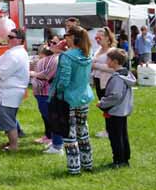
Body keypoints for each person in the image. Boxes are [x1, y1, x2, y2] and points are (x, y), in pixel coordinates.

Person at [49, 26, 94, 175]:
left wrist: (57, 91)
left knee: (69, 134)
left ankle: (74, 168)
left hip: (68, 99)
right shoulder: (87, 53)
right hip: (83, 96)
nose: (64, 38)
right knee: (83, 131)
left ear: (73, 37)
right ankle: (87, 163)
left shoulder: (67, 56)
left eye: (67, 35)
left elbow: (64, 80)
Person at [0, 28, 29, 151]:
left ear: (19, 40)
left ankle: (14, 146)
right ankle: (11, 142)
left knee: (7, 120)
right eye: (8, 36)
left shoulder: (15, 55)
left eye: (11, 37)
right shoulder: (13, 52)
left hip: (9, 92)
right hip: (8, 92)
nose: (8, 39)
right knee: (8, 118)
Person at [97, 48, 135, 168]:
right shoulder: (126, 74)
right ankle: (125, 159)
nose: (106, 61)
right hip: (122, 111)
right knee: (122, 135)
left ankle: (118, 160)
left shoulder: (118, 78)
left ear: (115, 62)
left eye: (108, 59)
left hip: (115, 111)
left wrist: (102, 103)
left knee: (115, 137)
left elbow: (116, 96)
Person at [29, 44, 60, 149]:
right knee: (48, 117)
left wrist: (33, 74)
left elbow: (44, 76)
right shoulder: (53, 60)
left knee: (49, 117)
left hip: (44, 93)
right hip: (46, 93)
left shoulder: (47, 61)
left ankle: (54, 140)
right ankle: (51, 138)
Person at [91, 27, 116, 138]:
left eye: (99, 37)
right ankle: (108, 129)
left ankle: (110, 130)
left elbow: (113, 68)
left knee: (108, 106)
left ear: (107, 38)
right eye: (96, 37)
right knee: (103, 105)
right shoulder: (98, 50)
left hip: (107, 82)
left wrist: (95, 65)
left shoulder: (112, 51)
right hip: (98, 80)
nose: (97, 39)